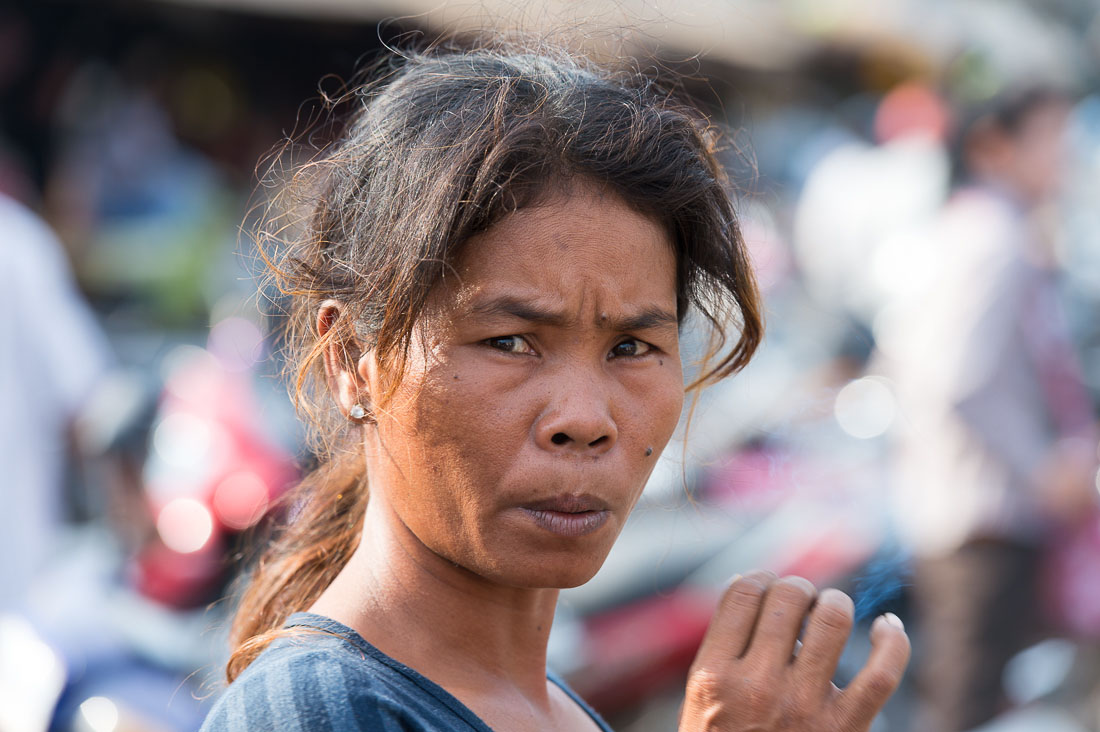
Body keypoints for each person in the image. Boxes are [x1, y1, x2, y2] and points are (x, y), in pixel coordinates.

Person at [201, 45, 910, 731]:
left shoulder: (555, 710)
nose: (585, 419)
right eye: (509, 342)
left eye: (632, 347)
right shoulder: (317, 711)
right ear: (353, 358)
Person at [885, 87, 1098, 731]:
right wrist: (1042, 469)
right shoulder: (994, 241)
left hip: (967, 513)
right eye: (1050, 141)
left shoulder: (973, 230)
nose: (1065, 158)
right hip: (983, 521)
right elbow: (956, 380)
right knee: (965, 707)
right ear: (992, 148)